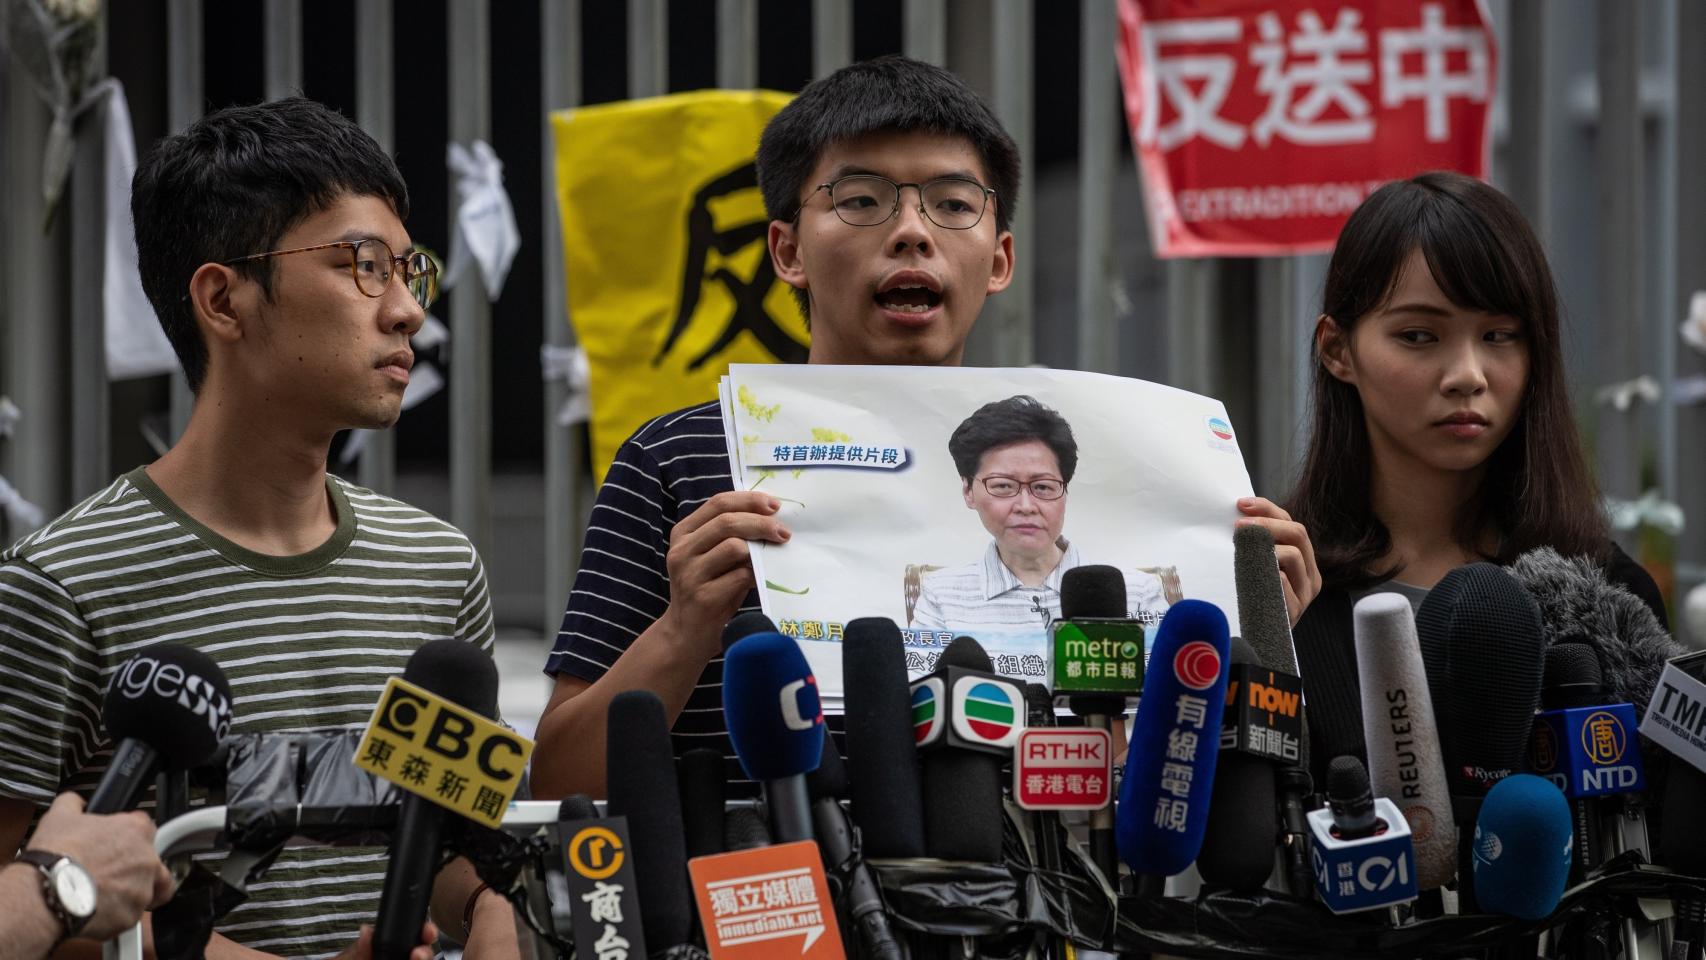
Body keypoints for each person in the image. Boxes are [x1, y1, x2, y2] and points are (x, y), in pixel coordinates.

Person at [530, 55, 1314, 799]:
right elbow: (560, 780)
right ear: (787, 249)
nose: (912, 231)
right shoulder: (680, 461)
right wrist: (682, 627)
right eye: (862, 200)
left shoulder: (1131, 466)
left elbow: (1178, 791)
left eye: (952, 203)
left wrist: (1257, 645)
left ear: (1000, 258)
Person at [0, 99, 515, 959]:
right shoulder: (61, 586)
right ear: (224, 299)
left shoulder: (437, 567)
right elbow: (27, 903)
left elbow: (458, 853)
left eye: (408, 270)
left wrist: (498, 913)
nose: (406, 312)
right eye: (361, 264)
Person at [1283, 171, 1668, 782]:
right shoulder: (1287, 589)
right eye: (1418, 336)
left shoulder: (1607, 596)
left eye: (1498, 336)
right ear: (1338, 350)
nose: (1467, 374)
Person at [911, 395, 1169, 632]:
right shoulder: (941, 595)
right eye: (1003, 486)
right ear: (969, 491)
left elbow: (1164, 682)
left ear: (1065, 490)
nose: (1026, 505)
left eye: (1043, 487)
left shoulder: (1137, 593)